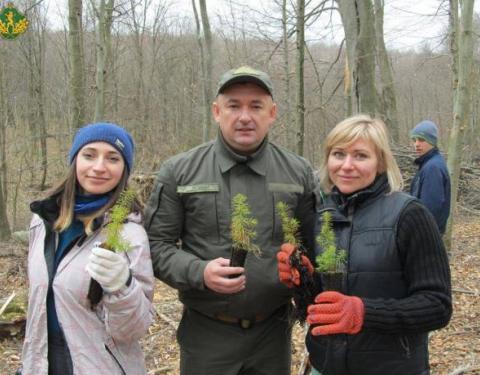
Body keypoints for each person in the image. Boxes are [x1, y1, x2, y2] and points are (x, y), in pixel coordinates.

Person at [144, 66, 318, 375]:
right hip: (207, 334)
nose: (245, 116)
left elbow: (316, 245)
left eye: (256, 106)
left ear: (272, 113)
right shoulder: (181, 172)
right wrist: (199, 272)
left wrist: (302, 269)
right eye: (234, 105)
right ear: (216, 111)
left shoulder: (298, 172)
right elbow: (155, 247)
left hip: (273, 335)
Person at [277, 115, 452, 375]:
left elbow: (437, 306)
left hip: (391, 368)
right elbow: (317, 306)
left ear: (380, 162)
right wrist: (303, 280)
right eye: (338, 154)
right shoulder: (320, 216)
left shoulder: (409, 215)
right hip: (325, 366)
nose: (347, 165)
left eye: (360, 155)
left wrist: (364, 312)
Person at [21, 123, 154, 375]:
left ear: (124, 169)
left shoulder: (129, 233)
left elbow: (132, 331)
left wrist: (122, 287)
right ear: (75, 160)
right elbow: (38, 303)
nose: (99, 167)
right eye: (89, 154)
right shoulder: (42, 221)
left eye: (113, 158)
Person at [410, 120, 451, 234]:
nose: (416, 144)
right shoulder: (429, 164)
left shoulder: (432, 168)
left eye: (421, 140)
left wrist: (418, 234)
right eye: (414, 140)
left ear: (432, 141)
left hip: (426, 234)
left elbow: (429, 209)